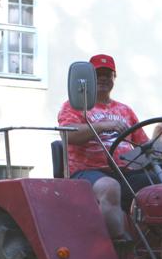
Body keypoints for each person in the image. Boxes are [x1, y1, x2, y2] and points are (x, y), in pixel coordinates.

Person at [57, 53, 152, 242]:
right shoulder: (74, 106)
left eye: (108, 74)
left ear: (114, 78)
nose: (103, 78)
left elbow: (143, 145)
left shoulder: (126, 110)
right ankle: (119, 246)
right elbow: (70, 135)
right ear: (89, 80)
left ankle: (158, 244)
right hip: (87, 171)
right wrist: (102, 126)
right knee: (110, 188)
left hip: (125, 170)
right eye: (98, 73)